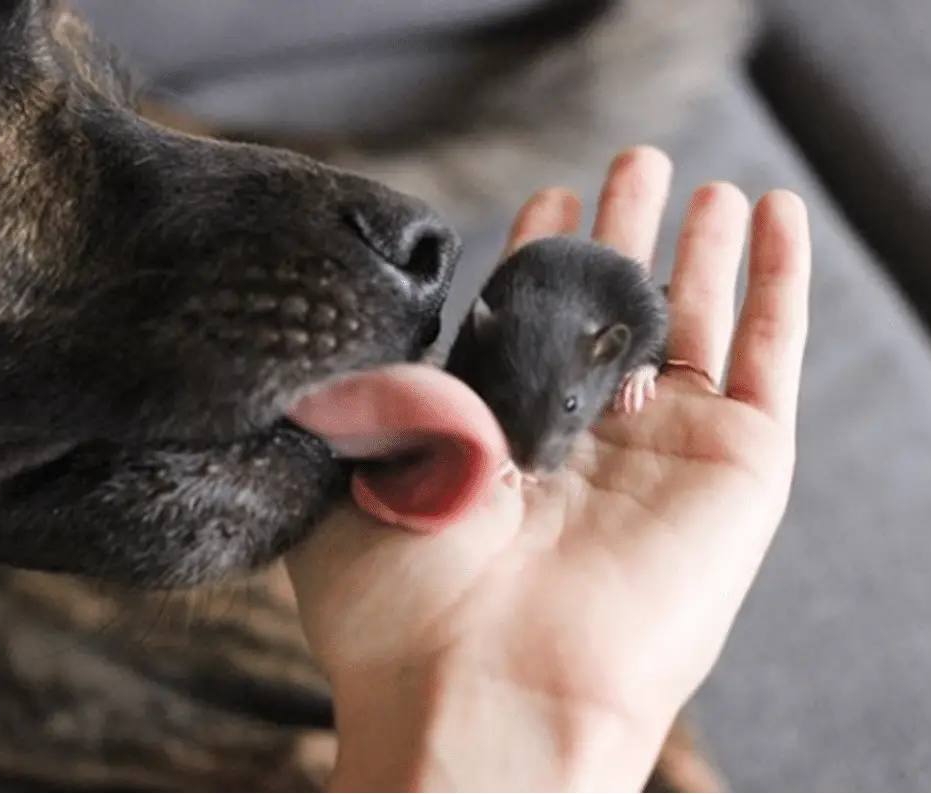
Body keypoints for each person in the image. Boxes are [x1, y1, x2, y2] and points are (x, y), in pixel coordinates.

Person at [284, 145, 812, 794]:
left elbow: (646, 316)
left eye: (566, 408)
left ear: (604, 354)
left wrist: (645, 366)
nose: (538, 457)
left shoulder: (614, 327)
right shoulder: (481, 352)